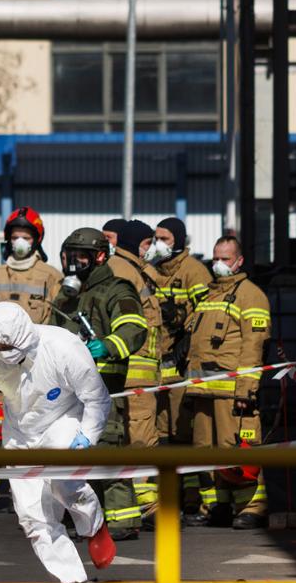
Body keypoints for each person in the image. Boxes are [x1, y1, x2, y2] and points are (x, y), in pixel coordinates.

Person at [0, 303, 117, 583]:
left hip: (64, 418)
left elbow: (96, 397)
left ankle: (93, 525)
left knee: (64, 483)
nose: (4, 353)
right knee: (32, 517)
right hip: (20, 431)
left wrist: (87, 434)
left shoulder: (63, 347)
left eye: (9, 347)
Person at [52, 227, 150, 540]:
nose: (73, 262)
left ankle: (123, 521)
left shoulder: (116, 290)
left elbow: (134, 328)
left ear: (98, 257)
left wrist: (106, 346)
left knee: (107, 451)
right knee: (75, 456)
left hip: (104, 387)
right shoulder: (66, 295)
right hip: (70, 393)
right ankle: (87, 520)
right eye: (70, 255)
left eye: (81, 256)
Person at [181, 236, 273, 529]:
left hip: (232, 393)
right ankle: (216, 506)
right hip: (202, 390)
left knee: (236, 450)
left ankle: (252, 507)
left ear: (239, 261)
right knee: (205, 452)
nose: (219, 264)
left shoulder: (251, 296)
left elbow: (253, 347)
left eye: (226, 259)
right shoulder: (210, 296)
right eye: (216, 258)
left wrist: (246, 389)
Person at [102, 220, 166, 537]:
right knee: (140, 439)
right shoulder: (124, 271)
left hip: (137, 373)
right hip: (134, 374)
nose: (150, 249)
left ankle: (133, 508)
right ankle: (146, 506)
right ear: (134, 243)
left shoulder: (132, 269)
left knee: (131, 438)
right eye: (146, 243)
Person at [148, 217, 213, 508]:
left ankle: (191, 496)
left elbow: (206, 312)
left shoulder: (194, 272)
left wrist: (187, 337)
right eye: (156, 238)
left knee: (183, 429)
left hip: (182, 362)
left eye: (165, 239)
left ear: (178, 240)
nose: (159, 244)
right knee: (161, 432)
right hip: (158, 363)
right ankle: (169, 493)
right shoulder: (152, 271)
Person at [0, 207, 62, 324]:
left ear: (37, 240)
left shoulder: (51, 276)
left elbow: (59, 319)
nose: (20, 243)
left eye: (26, 238)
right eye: (15, 238)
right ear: (8, 239)